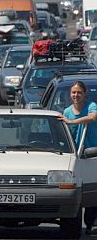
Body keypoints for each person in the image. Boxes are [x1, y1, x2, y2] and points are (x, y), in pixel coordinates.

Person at [58, 81, 97, 235]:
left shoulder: (91, 106)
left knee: (91, 192)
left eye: (79, 92)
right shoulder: (67, 112)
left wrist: (73, 122)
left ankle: (91, 224)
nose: (76, 95)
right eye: (73, 92)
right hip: (74, 156)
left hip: (92, 155)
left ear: (85, 93)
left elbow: (93, 118)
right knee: (76, 190)